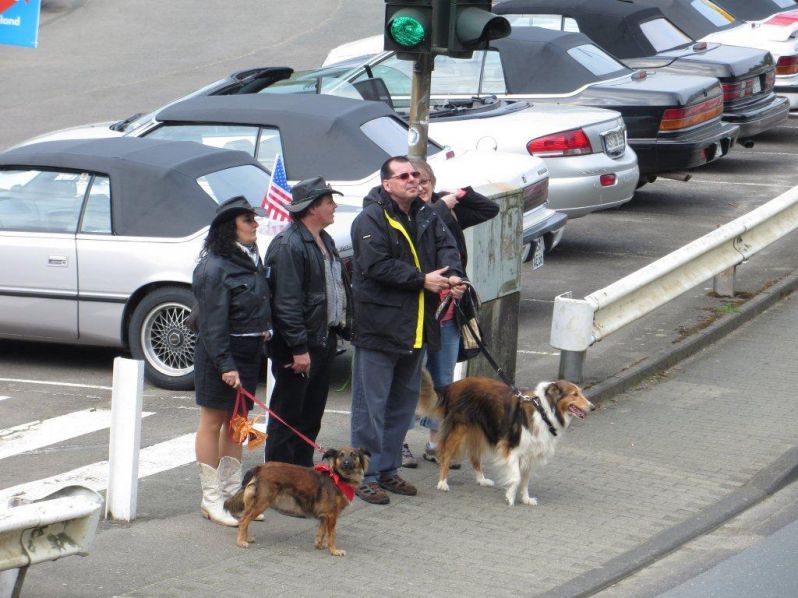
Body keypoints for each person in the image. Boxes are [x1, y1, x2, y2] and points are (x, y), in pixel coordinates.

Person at [349, 155, 466, 505]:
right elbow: (376, 265)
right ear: (387, 185)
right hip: (379, 329)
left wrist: (451, 277)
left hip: (416, 328)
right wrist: (421, 280)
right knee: (370, 408)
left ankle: (387, 470)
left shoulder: (428, 214)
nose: (413, 180)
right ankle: (362, 475)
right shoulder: (371, 218)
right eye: (404, 176)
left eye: (416, 174)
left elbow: (449, 248)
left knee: (402, 406)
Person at [404, 158, 499, 468]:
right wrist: (441, 206)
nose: (418, 189)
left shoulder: (448, 212)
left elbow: (489, 210)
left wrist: (461, 193)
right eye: (412, 183)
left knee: (444, 381)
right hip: (416, 315)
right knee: (409, 380)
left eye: (424, 183)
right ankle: (399, 443)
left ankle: (436, 443)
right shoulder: (405, 216)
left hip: (448, 313)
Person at [192, 196, 272, 527]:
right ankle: (211, 500)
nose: (255, 224)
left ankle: (232, 495)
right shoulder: (214, 267)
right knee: (213, 421)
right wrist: (226, 365)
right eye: (248, 220)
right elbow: (212, 323)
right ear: (230, 228)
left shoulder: (249, 257)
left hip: (248, 349)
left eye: (254, 219)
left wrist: (264, 329)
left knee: (238, 423)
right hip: (220, 352)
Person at [263, 176, 352, 467]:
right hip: (298, 348)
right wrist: (298, 348)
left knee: (311, 414)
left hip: (323, 340)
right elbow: (286, 303)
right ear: (312, 208)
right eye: (329, 202)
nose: (334, 206)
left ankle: (302, 474)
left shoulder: (324, 240)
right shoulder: (289, 245)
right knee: (287, 416)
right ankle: (278, 479)